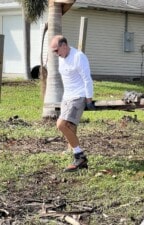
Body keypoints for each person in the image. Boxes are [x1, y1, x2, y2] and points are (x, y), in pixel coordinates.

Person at [50, 35, 95, 172]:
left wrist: (88, 99)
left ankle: (79, 155)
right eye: (54, 52)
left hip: (78, 97)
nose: (56, 54)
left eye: (57, 50)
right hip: (67, 97)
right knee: (68, 126)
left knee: (61, 124)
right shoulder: (61, 58)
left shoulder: (78, 57)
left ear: (64, 45)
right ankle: (78, 160)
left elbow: (87, 78)